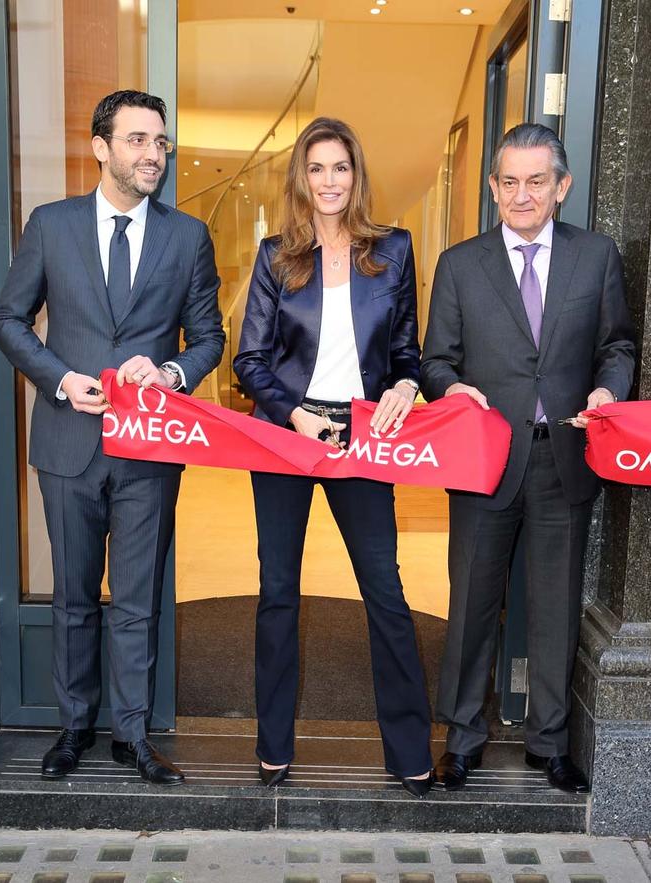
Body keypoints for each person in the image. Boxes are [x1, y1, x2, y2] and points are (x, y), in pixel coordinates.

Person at [0, 90, 224, 786]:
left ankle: (132, 733)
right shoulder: (52, 225)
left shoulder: (188, 237)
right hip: (69, 441)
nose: (153, 153)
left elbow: (209, 336)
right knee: (71, 594)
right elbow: (8, 319)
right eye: (137, 140)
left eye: (161, 142)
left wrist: (173, 370)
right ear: (100, 147)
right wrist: (61, 378)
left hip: (149, 445)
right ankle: (74, 726)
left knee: (137, 595)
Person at [421, 123, 635, 794]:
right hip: (484, 461)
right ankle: (461, 740)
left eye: (536, 181)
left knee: (555, 609)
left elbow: (619, 344)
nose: (521, 194)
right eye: (508, 181)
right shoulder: (460, 263)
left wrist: (609, 389)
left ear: (561, 187)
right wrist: (450, 387)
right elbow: (436, 359)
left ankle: (550, 743)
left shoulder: (595, 257)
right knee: (472, 607)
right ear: (492, 187)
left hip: (563, 460)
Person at [233, 117, 434, 797]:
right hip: (287, 434)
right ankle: (273, 746)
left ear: (357, 175)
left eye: (340, 168)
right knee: (278, 593)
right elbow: (249, 359)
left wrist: (409, 380)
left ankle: (409, 748)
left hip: (365, 434)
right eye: (316, 168)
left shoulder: (395, 251)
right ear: (302, 178)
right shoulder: (274, 256)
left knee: (385, 590)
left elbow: (406, 348)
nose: (329, 181)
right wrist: (294, 413)